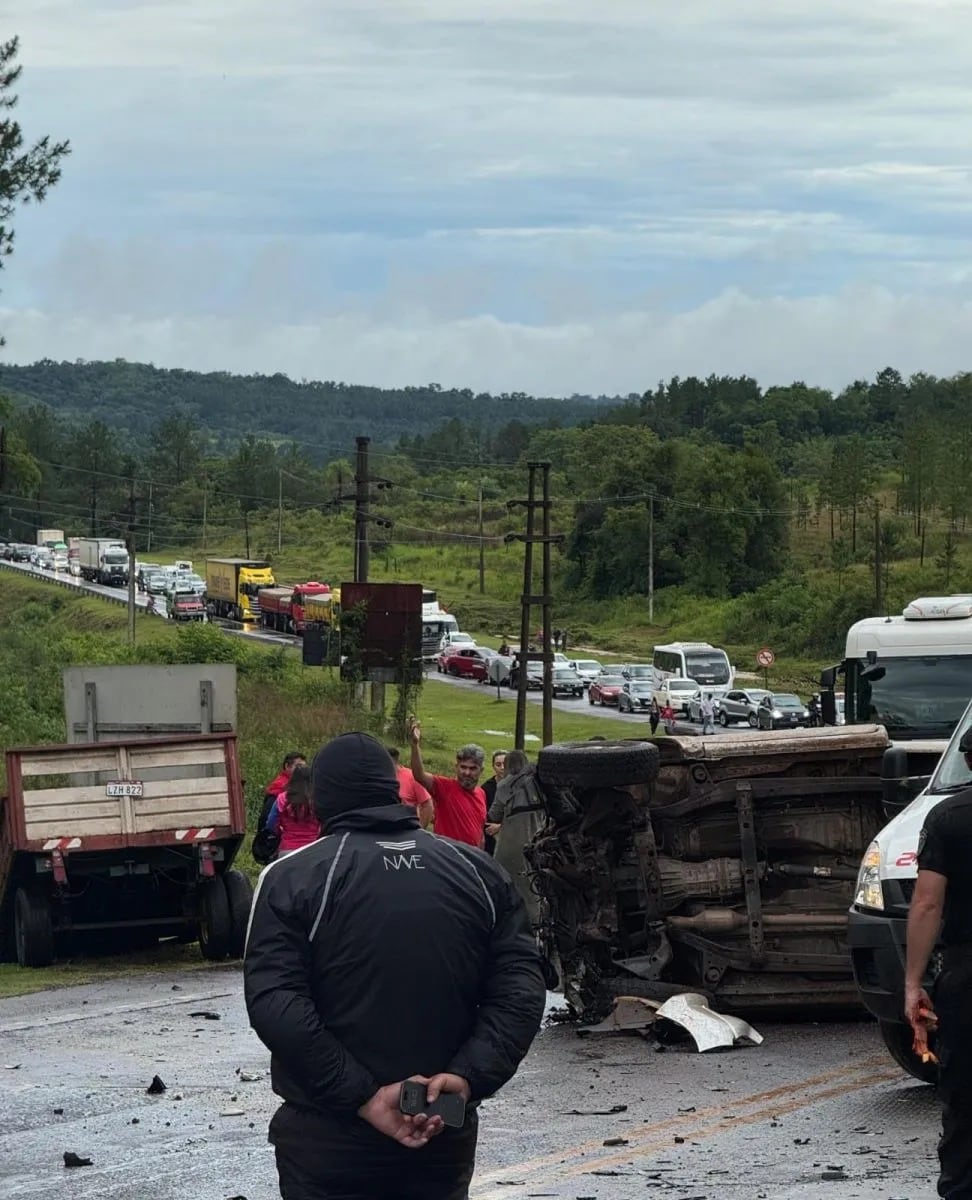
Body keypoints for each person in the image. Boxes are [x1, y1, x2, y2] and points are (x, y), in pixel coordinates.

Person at [245, 732, 546, 1200]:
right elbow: (522, 990)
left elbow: (275, 1004)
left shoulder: (291, 878)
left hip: (330, 1133)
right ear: (393, 789)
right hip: (441, 1121)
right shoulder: (477, 871)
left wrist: (363, 1097)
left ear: (322, 797)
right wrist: (467, 1077)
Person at [905, 725, 972, 1199]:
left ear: (968, 762)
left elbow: (927, 904)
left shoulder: (950, 819)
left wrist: (913, 983)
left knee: (966, 1093)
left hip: (968, 973)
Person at [484, 750, 545, 930]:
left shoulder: (505, 785)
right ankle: (540, 923)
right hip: (539, 840)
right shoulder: (539, 781)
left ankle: (520, 924)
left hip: (513, 843)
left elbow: (493, 814)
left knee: (508, 882)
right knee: (537, 886)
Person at [410, 722, 487, 849]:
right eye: (463, 767)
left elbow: (479, 831)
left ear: (481, 770)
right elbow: (419, 775)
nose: (467, 773)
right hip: (448, 858)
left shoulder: (481, 793)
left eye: (473, 768)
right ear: (456, 767)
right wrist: (415, 745)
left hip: (471, 859)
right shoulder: (445, 787)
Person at [266, 764, 321, 855]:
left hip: (287, 849)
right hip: (313, 850)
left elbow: (270, 824)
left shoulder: (282, 799)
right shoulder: (317, 800)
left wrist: (279, 832)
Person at [258, 751, 306, 832]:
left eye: (304, 767)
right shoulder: (280, 787)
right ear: (287, 766)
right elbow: (268, 819)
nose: (302, 770)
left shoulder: (301, 786)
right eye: (298, 766)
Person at [388, 746, 434, 829]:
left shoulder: (412, 777)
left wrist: (420, 829)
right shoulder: (378, 776)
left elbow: (427, 805)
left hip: (407, 830)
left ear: (394, 761)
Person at [481, 750, 508, 856]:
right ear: (493, 767)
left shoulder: (518, 787)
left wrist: (501, 826)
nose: (502, 767)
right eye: (498, 764)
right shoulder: (486, 789)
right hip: (490, 835)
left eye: (505, 764)